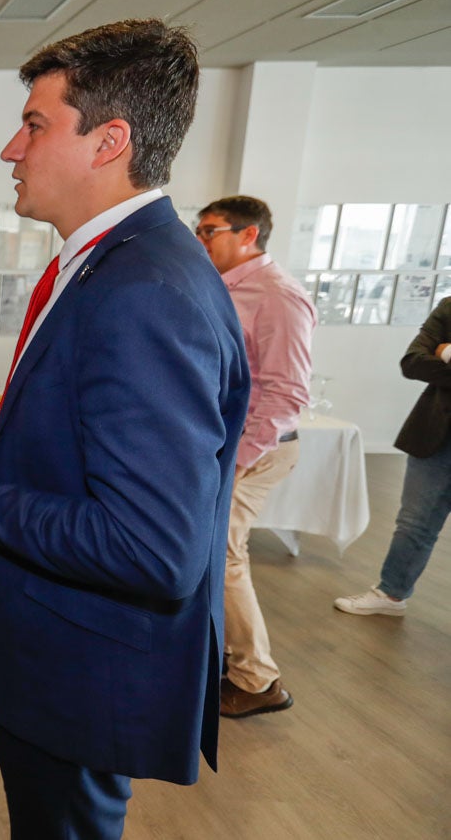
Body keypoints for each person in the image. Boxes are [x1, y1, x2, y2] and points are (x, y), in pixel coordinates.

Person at [0, 20, 248, 838]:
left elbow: (150, 548)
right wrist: (3, 433)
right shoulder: (112, 261)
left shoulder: (144, 289)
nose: (10, 150)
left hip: (82, 673)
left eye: (34, 125)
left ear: (108, 142)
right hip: (64, 658)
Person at [196, 195, 315, 718]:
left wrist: (238, 460)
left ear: (249, 235)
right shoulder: (221, 287)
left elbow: (287, 393)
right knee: (206, 553)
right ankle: (219, 658)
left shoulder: (279, 296)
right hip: (218, 447)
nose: (201, 241)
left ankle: (258, 679)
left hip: (254, 452)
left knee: (222, 555)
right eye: (198, 231)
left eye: (211, 231)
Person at [335, 295, 451, 616]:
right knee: (415, 523)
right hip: (436, 435)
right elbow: (412, 361)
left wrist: (447, 352)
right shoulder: (449, 307)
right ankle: (391, 594)